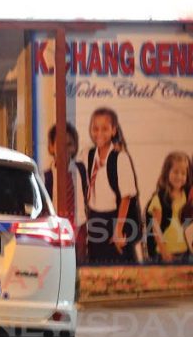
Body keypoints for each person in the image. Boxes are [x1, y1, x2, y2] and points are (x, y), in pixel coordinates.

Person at [84, 108, 141, 264]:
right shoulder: (89, 155)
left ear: (113, 130)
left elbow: (126, 197)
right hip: (95, 220)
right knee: (96, 266)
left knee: (119, 268)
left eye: (105, 128)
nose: (99, 133)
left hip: (115, 220)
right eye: (95, 128)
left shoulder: (120, 158)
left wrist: (118, 230)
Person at [44, 123, 88, 261]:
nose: (65, 149)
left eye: (69, 144)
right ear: (51, 147)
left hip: (79, 229)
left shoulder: (81, 170)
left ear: (74, 147)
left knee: (79, 269)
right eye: (60, 144)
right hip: (56, 233)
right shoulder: (46, 177)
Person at [146, 152, 192, 264]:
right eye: (175, 172)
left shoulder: (187, 196)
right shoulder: (159, 198)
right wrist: (164, 251)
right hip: (165, 253)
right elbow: (155, 228)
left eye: (183, 173)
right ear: (167, 173)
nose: (179, 176)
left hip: (186, 251)